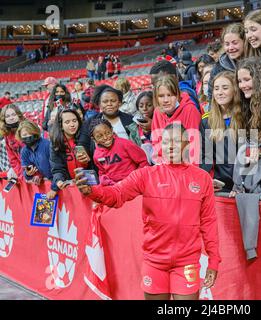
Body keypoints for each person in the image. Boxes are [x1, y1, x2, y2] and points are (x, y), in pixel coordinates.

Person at [74, 123, 220, 300]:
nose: (171, 146)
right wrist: (92, 191)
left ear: (187, 144)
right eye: (166, 142)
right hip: (154, 261)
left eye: (176, 141)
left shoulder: (202, 178)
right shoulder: (146, 175)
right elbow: (117, 194)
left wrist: (213, 260)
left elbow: (209, 222)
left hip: (187, 262)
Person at [200, 71, 245, 192]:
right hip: (221, 185)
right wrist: (207, 180)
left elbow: (251, 156)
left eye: (225, 88)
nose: (220, 93)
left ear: (234, 90)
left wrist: (242, 184)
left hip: (246, 184)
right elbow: (206, 157)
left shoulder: (246, 117)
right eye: (216, 89)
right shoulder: (206, 122)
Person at [78, 85, 139, 165]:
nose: (109, 104)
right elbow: (83, 144)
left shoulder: (131, 120)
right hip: (104, 171)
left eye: (113, 101)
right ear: (99, 104)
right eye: (105, 101)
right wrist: (81, 153)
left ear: (119, 103)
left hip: (131, 169)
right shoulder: (89, 123)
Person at [151, 74, 202, 164]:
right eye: (161, 96)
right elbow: (156, 143)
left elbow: (194, 146)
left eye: (170, 95)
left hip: (188, 164)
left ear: (178, 95)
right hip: (166, 163)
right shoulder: (157, 112)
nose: (166, 100)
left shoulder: (190, 110)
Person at [89, 118, 149, 186]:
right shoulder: (96, 155)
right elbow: (102, 173)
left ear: (112, 130)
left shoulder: (125, 144)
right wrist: (106, 181)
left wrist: (135, 178)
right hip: (114, 187)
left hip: (133, 183)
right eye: (99, 136)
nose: (105, 137)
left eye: (108, 133)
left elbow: (143, 161)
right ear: (94, 139)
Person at [49, 108, 89, 198]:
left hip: (90, 184)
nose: (72, 125)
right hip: (72, 188)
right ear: (61, 125)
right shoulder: (55, 143)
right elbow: (57, 168)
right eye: (67, 122)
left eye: (74, 121)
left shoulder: (87, 137)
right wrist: (59, 181)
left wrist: (88, 160)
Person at [237, 57, 261, 139]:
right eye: (240, 81)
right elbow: (252, 140)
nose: (242, 86)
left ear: (260, 79)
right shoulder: (247, 104)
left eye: (247, 80)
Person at [16, 120, 56, 198]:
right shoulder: (24, 151)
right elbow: (26, 172)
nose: (28, 136)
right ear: (20, 136)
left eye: (30, 133)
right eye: (24, 134)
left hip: (56, 183)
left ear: (35, 132)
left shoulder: (47, 144)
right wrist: (29, 174)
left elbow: (57, 167)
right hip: (46, 185)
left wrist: (54, 186)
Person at [208, 23, 245, 102]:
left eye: (235, 43)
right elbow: (211, 97)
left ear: (245, 42)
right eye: (227, 44)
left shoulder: (257, 62)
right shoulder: (218, 68)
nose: (231, 48)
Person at [0, 105, 25, 180]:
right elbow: (12, 158)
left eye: (13, 115)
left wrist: (27, 173)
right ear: (4, 119)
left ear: (18, 115)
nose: (11, 118)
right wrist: (20, 173)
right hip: (22, 171)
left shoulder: (27, 129)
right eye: (7, 116)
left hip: (35, 170)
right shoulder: (7, 134)